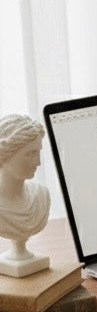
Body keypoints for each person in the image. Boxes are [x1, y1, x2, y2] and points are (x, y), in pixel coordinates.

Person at [0, 114, 51, 274]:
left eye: (38, 152)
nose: (38, 162)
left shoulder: (41, 196)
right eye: (30, 154)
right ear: (4, 155)